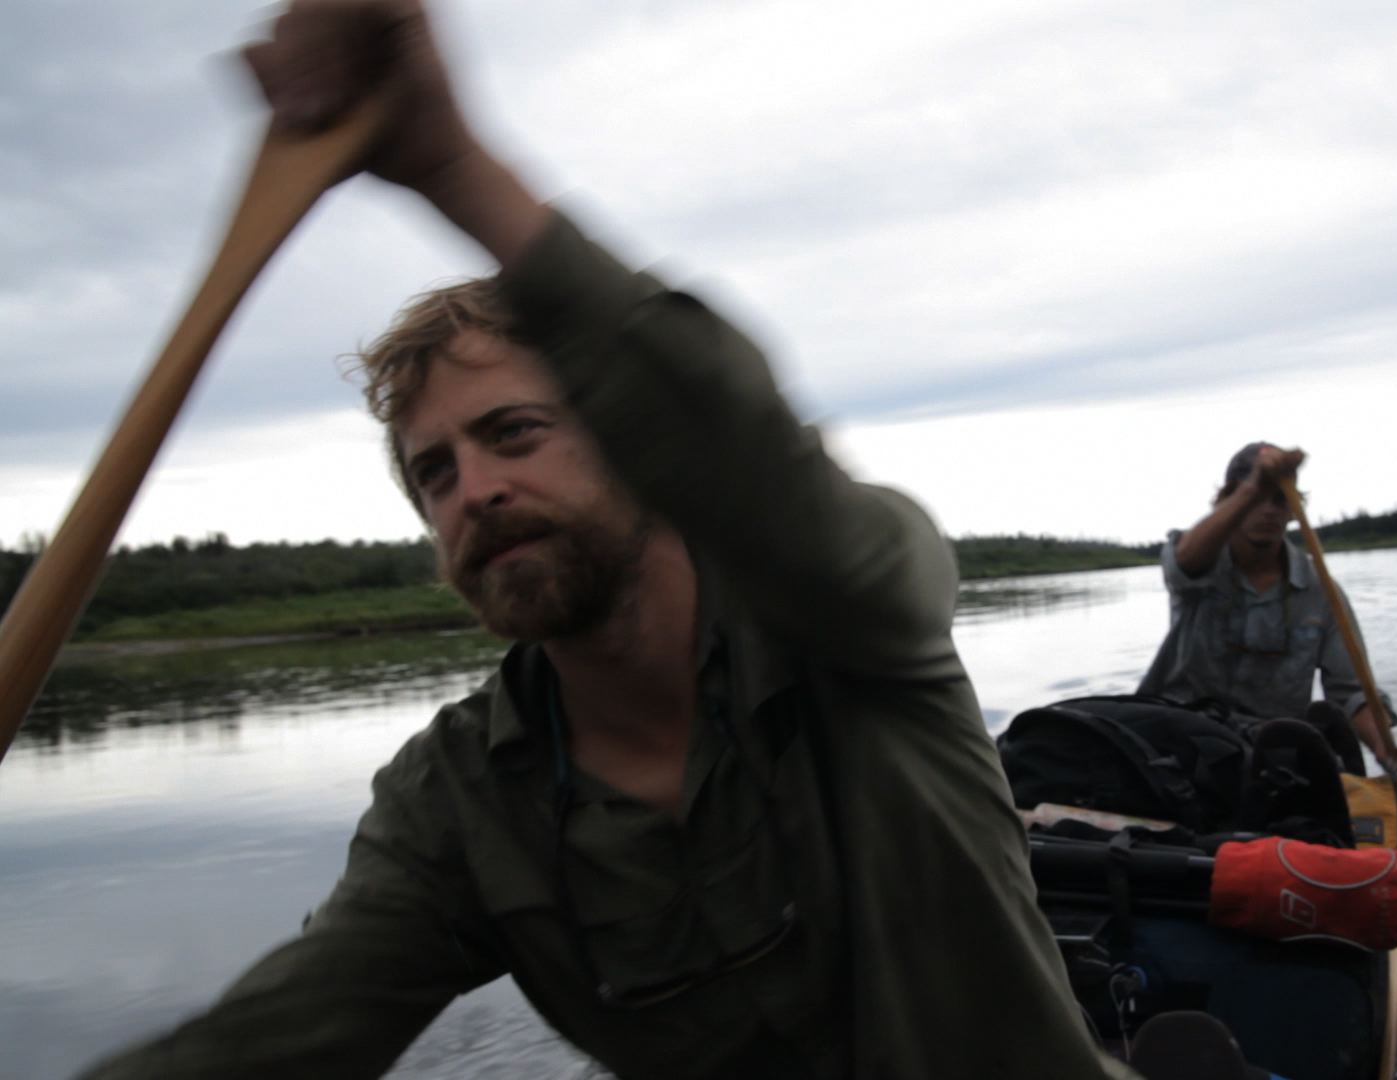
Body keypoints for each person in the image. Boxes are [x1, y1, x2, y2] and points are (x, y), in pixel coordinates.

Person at [79, 3, 1130, 1078]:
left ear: (638, 448)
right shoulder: (459, 800)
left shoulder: (854, 624)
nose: (474, 491)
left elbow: (747, 453)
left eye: (515, 434)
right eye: (434, 472)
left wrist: (449, 164)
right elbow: (279, 1038)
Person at [1137, 442, 1397, 774]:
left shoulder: (1320, 590)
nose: (1267, 510)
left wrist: (1386, 749)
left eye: (1279, 500)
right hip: (1183, 745)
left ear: (1294, 510)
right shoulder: (1201, 566)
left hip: (1270, 754)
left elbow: (1351, 692)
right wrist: (1252, 487)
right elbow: (1184, 563)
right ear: (1228, 503)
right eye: (1254, 500)